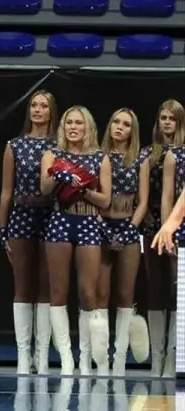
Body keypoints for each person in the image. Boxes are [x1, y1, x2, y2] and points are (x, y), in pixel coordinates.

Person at [39, 105, 110, 376]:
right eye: (69, 122)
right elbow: (44, 189)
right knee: (58, 292)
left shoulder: (99, 158)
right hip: (60, 220)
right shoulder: (52, 154)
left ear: (87, 127)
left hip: (89, 222)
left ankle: (86, 357)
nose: (73, 127)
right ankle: (67, 358)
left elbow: (106, 199)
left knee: (88, 293)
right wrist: (59, 175)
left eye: (79, 123)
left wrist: (83, 188)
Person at [0, 90, 57, 375]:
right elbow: (6, 192)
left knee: (46, 285)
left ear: (51, 111)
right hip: (21, 215)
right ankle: (24, 354)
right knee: (22, 284)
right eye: (33, 105)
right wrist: (3, 227)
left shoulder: (59, 145)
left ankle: (43, 355)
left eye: (43, 106)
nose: (37, 110)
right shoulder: (15, 145)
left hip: (51, 216)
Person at [96, 108, 151, 375]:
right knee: (101, 293)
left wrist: (130, 228)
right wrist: (103, 227)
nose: (119, 127)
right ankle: (101, 355)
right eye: (116, 121)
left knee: (125, 294)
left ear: (133, 130)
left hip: (129, 227)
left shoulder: (140, 158)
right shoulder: (98, 155)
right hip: (101, 226)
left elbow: (143, 201)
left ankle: (120, 355)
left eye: (126, 124)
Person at [146, 99, 184, 377]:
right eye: (163, 117)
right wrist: (164, 227)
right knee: (160, 290)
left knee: (176, 294)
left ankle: (174, 355)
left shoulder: (181, 153)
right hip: (158, 225)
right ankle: (158, 356)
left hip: (174, 223)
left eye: (173, 118)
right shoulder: (151, 154)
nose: (167, 122)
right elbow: (164, 196)